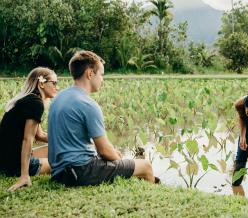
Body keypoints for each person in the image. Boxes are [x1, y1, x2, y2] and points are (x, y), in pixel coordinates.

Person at [48, 50, 158, 186]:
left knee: (116, 157)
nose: (102, 80)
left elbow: (75, 141)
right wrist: (117, 158)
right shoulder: (88, 104)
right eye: (101, 75)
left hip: (59, 173)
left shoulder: (58, 98)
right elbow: (104, 151)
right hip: (80, 172)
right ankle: (150, 195)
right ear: (90, 73)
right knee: (145, 166)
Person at [0, 67, 58, 191]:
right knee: (61, 164)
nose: (56, 87)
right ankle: (25, 173)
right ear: (41, 83)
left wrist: (67, 140)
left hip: (5, 160)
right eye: (54, 83)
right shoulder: (35, 103)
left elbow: (40, 135)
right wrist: (24, 175)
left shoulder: (29, 100)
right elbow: (28, 139)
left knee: (55, 151)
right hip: (13, 165)